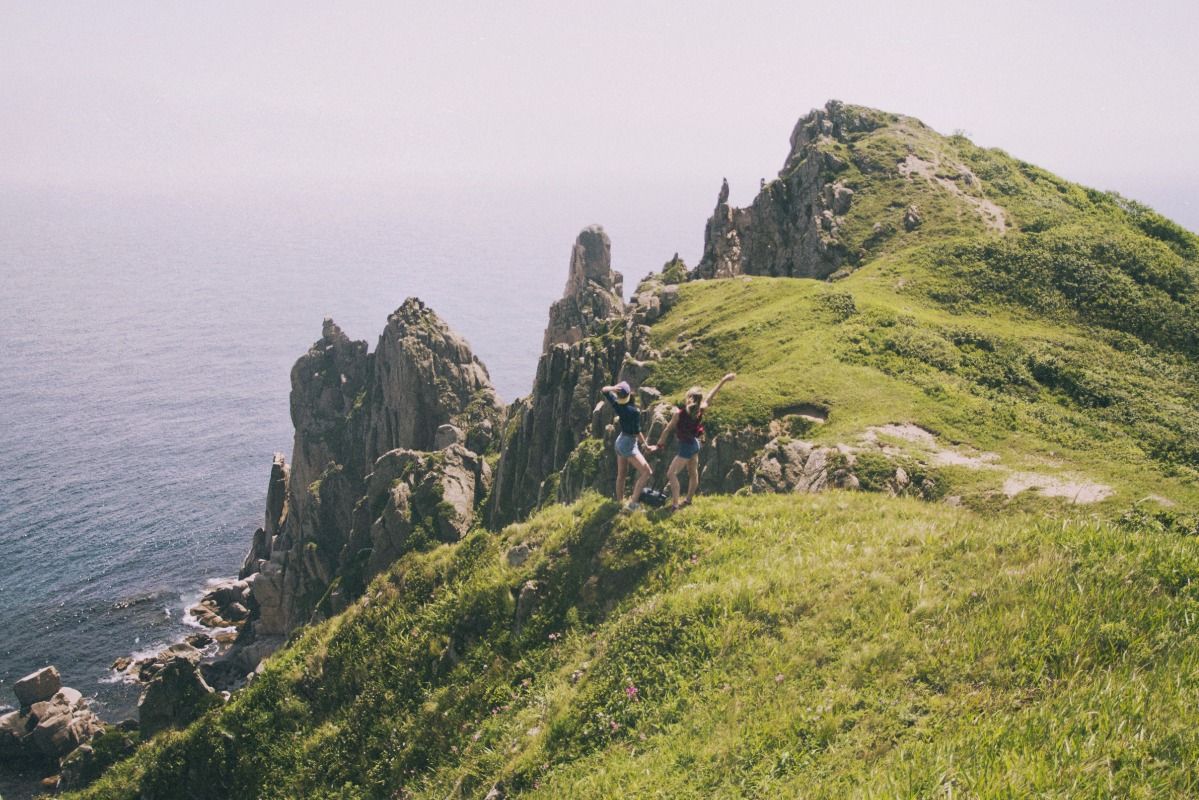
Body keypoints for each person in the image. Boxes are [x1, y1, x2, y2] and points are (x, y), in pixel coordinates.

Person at [656, 373, 735, 510]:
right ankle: (688, 500)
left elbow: (667, 430)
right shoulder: (700, 409)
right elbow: (711, 395)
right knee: (693, 473)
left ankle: (675, 505)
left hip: (686, 447)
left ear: (689, 398)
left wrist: (660, 444)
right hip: (695, 444)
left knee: (671, 474)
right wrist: (723, 380)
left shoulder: (678, 414)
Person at [596, 381, 658, 511]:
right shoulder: (634, 412)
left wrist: (614, 388)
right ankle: (633, 504)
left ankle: (619, 502)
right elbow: (636, 432)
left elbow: (604, 389)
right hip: (628, 444)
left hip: (620, 442)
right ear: (629, 395)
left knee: (621, 474)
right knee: (647, 472)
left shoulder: (617, 404)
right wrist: (646, 445)